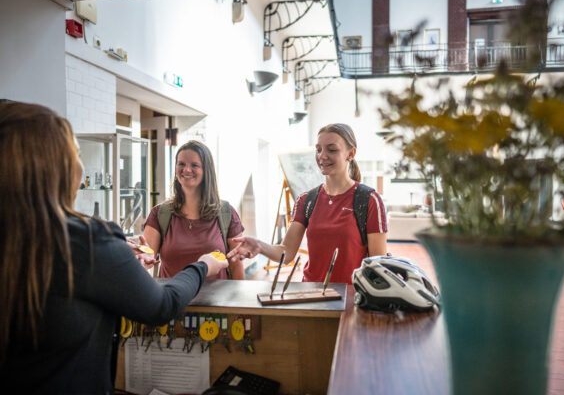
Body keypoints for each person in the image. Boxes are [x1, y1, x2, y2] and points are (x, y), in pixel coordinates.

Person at [0, 102, 228, 393]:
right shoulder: (87, 241)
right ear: (58, 168)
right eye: (77, 155)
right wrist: (203, 266)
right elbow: (161, 306)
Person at [228, 123, 387, 284]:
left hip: (352, 296)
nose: (322, 156)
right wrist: (259, 245)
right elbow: (287, 252)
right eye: (318, 149)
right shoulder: (307, 200)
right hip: (312, 294)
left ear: (351, 153)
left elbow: (377, 263)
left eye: (332, 149)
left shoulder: (369, 200)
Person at [141, 140, 245, 279]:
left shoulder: (226, 213)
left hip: (216, 299)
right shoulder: (160, 214)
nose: (186, 170)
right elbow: (146, 256)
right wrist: (141, 259)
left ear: (206, 171)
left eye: (194, 165)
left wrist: (238, 300)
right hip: (174, 299)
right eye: (181, 164)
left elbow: (236, 265)